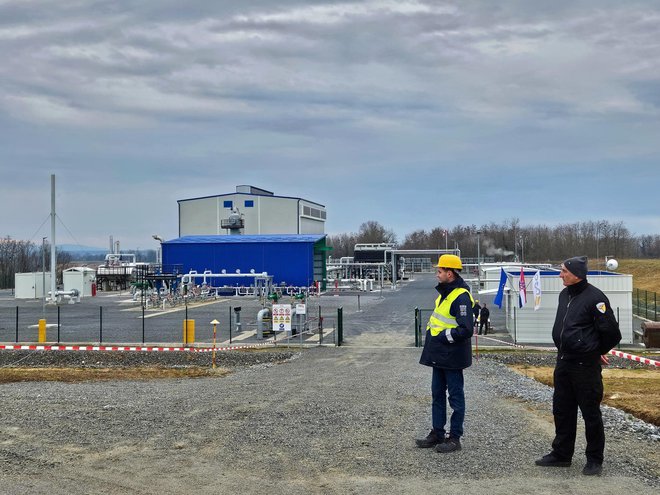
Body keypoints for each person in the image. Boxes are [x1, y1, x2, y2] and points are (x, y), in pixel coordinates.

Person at [535, 256, 621, 476]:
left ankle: (594, 459)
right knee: (562, 410)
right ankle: (562, 454)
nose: (560, 274)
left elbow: (612, 333)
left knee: (590, 413)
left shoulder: (595, 298)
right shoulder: (565, 295)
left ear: (576, 274)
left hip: (585, 367)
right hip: (563, 361)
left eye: (563, 271)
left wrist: (595, 350)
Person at [416, 254, 474, 453]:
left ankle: (455, 438)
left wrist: (443, 337)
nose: (437, 274)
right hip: (439, 356)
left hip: (452, 357)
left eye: (439, 271)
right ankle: (437, 433)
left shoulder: (461, 297)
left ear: (450, 274)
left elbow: (466, 329)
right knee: (437, 395)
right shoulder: (445, 294)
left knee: (455, 398)